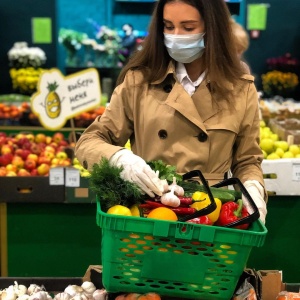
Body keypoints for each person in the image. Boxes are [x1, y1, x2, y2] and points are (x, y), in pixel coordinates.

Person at [75, 0, 267, 223]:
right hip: (150, 213)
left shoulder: (240, 89)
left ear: (212, 29)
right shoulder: (139, 81)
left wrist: (254, 188)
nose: (176, 36)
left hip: (211, 218)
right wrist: (120, 158)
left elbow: (247, 161)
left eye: (188, 28)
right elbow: (89, 141)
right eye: (168, 26)